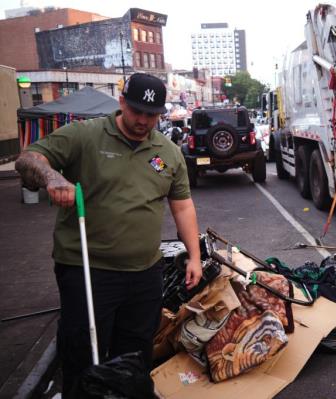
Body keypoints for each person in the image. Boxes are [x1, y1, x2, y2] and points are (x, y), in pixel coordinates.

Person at [15, 73, 202, 396]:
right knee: (82, 350)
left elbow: (182, 206)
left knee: (135, 354)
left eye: (151, 115)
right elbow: (28, 158)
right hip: (88, 270)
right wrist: (51, 177)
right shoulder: (84, 136)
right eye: (136, 111)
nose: (143, 120)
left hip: (144, 274)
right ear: (121, 102)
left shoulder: (168, 152)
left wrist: (195, 257)